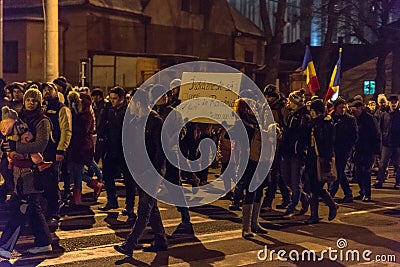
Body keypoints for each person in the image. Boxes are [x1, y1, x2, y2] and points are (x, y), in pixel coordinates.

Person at [0, 88, 52, 259]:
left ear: (39, 103)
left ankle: (5, 246)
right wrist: (7, 146)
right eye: (28, 100)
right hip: (19, 171)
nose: (30, 103)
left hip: (33, 172)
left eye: (34, 101)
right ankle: (44, 242)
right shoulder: (21, 118)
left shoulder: (42, 121)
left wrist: (17, 147)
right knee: (32, 208)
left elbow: (40, 145)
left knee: (19, 208)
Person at [114, 89, 167, 257]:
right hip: (138, 170)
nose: (130, 105)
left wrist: (152, 171)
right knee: (152, 207)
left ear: (139, 103)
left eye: (132, 102)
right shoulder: (135, 120)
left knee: (144, 209)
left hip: (151, 172)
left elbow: (161, 151)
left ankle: (130, 244)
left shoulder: (155, 121)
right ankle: (161, 240)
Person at [150, 85, 193, 234]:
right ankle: (149, 218)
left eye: (164, 95)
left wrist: (170, 139)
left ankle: (185, 218)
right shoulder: (153, 112)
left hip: (170, 154)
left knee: (175, 186)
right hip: (156, 154)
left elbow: (182, 131)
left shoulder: (173, 113)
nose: (162, 98)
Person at [98, 87, 137, 223]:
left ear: (121, 99)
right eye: (111, 98)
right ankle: (111, 200)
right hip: (110, 148)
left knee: (128, 180)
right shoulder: (108, 109)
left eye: (115, 98)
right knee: (107, 176)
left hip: (124, 150)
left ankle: (130, 207)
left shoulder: (129, 111)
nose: (112, 101)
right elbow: (102, 127)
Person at [42, 82, 72, 222]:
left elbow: (66, 130)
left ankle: (54, 211)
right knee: (43, 180)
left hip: (54, 150)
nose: (47, 91)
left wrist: (61, 149)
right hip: (42, 149)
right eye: (45, 89)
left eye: (50, 89)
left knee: (53, 180)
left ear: (56, 91)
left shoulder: (61, 108)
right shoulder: (42, 107)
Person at [67, 91, 104, 204]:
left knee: (78, 171)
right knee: (77, 170)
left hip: (82, 146)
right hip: (78, 146)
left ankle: (79, 196)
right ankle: (95, 184)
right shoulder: (79, 114)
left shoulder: (85, 115)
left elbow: (82, 131)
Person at [305, 99, 338, 224]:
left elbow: (328, 143)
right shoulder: (314, 123)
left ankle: (330, 205)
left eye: (312, 111)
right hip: (312, 157)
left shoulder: (326, 124)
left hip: (321, 158)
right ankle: (315, 214)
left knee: (316, 186)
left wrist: (326, 159)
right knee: (313, 186)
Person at [280, 89, 311, 218]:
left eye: (290, 100)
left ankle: (292, 207)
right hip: (288, 151)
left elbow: (301, 135)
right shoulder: (292, 115)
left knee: (294, 181)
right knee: (286, 178)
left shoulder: (304, 117)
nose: (288, 102)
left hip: (297, 153)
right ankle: (304, 198)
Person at [261, 84, 291, 211]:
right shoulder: (265, 107)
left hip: (277, 143)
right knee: (276, 173)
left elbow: (286, 125)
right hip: (267, 142)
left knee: (274, 173)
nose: (268, 99)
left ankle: (268, 202)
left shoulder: (281, 108)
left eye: (270, 97)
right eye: (266, 96)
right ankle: (287, 197)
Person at [350, 100, 381, 202]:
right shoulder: (354, 119)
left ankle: (367, 193)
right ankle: (362, 191)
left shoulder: (369, 119)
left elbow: (376, 135)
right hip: (358, 150)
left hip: (368, 150)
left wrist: (376, 152)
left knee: (366, 172)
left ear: (360, 108)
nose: (352, 111)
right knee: (358, 172)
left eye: (354, 108)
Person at [329, 97, 358, 203]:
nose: (342, 109)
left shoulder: (350, 119)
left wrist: (348, 147)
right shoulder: (330, 118)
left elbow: (354, 135)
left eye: (344, 107)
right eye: (340, 107)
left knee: (339, 171)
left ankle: (337, 193)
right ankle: (335, 192)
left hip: (344, 150)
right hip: (332, 149)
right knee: (336, 171)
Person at [374, 95, 400, 189]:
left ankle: (398, 182)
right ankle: (379, 180)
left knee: (398, 164)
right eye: (392, 102)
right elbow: (379, 128)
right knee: (383, 164)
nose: (394, 104)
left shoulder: (399, 114)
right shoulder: (384, 114)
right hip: (386, 143)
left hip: (397, 144)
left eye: (395, 102)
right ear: (389, 103)